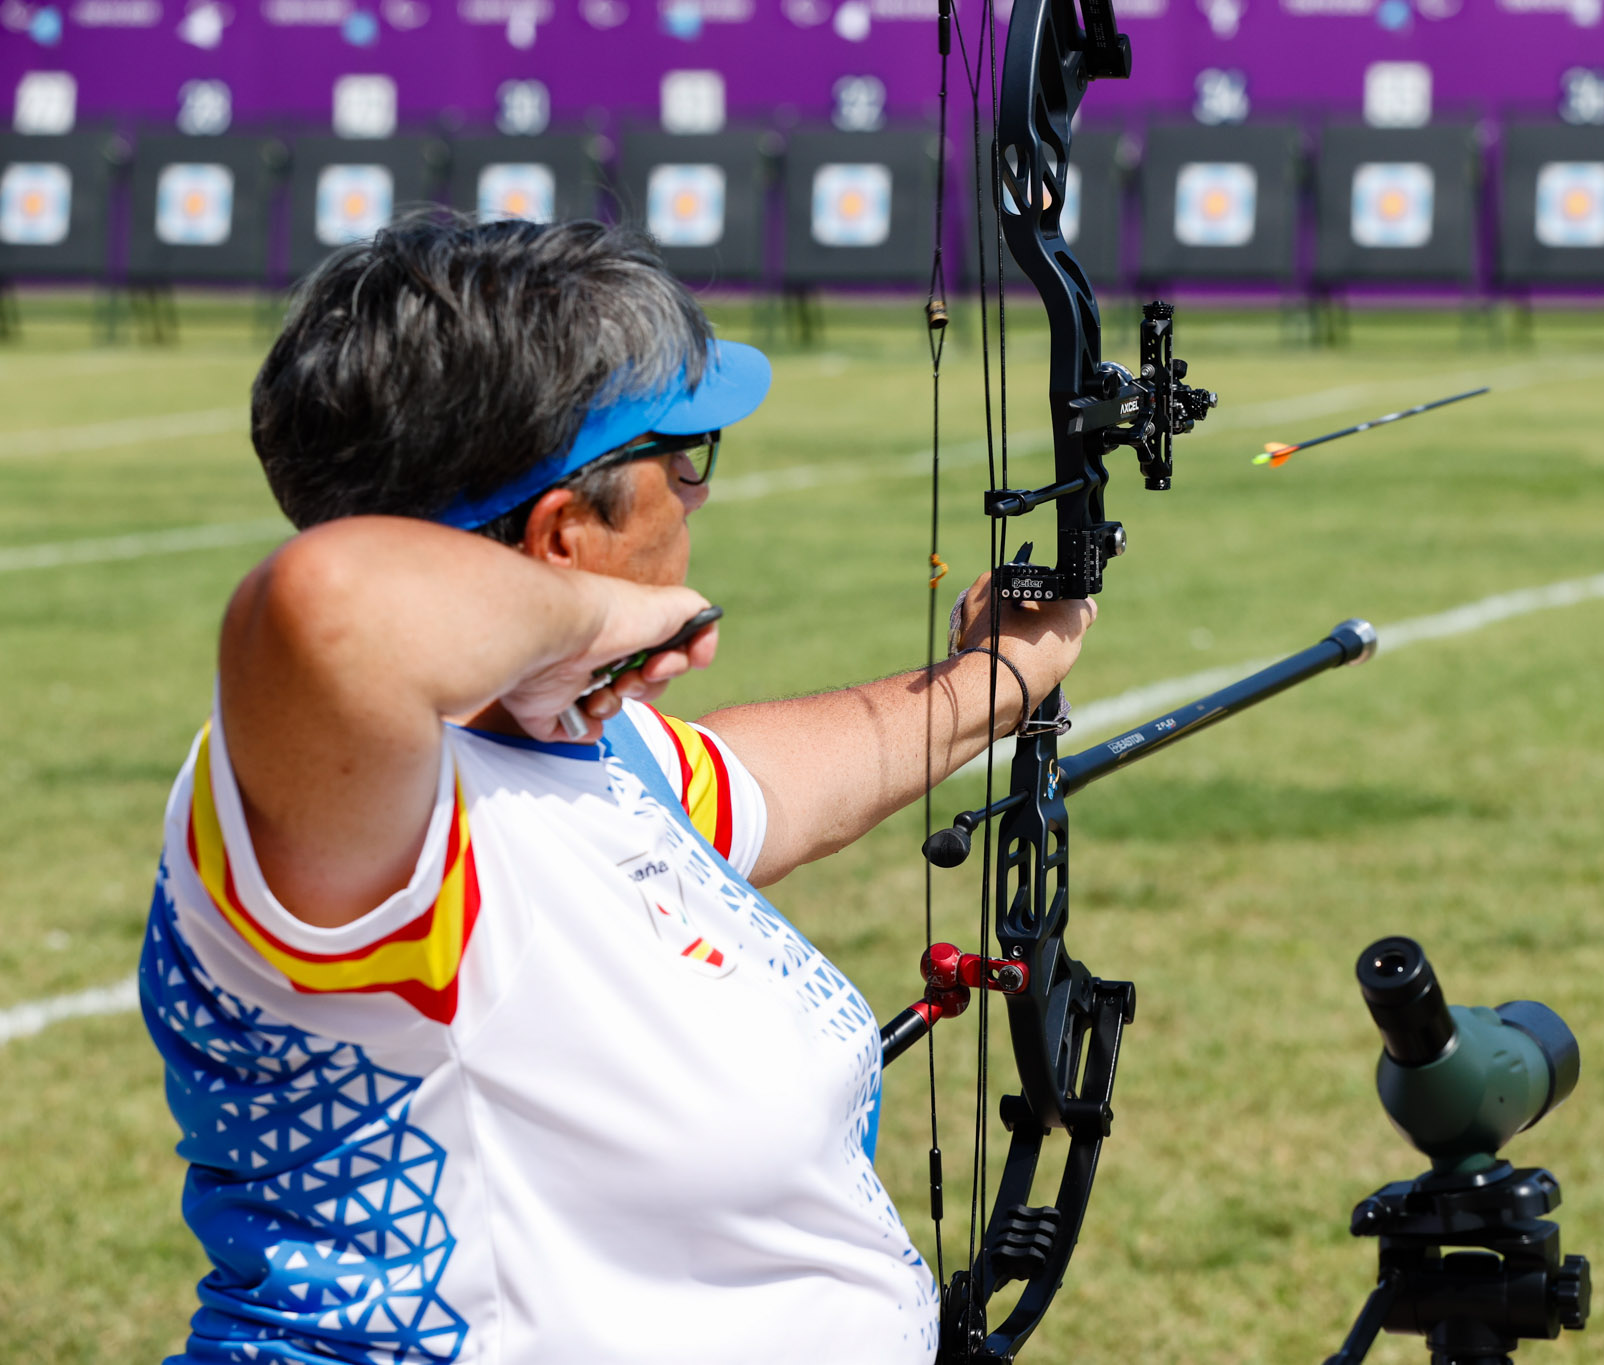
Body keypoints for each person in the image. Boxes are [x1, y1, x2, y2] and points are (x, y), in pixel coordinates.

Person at [138, 215, 1095, 1364]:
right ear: (561, 530)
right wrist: (602, 620)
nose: (698, 498)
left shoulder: (595, 756)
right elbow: (326, 603)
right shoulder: (368, 824)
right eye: (679, 458)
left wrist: (1000, 674)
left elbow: (777, 784)